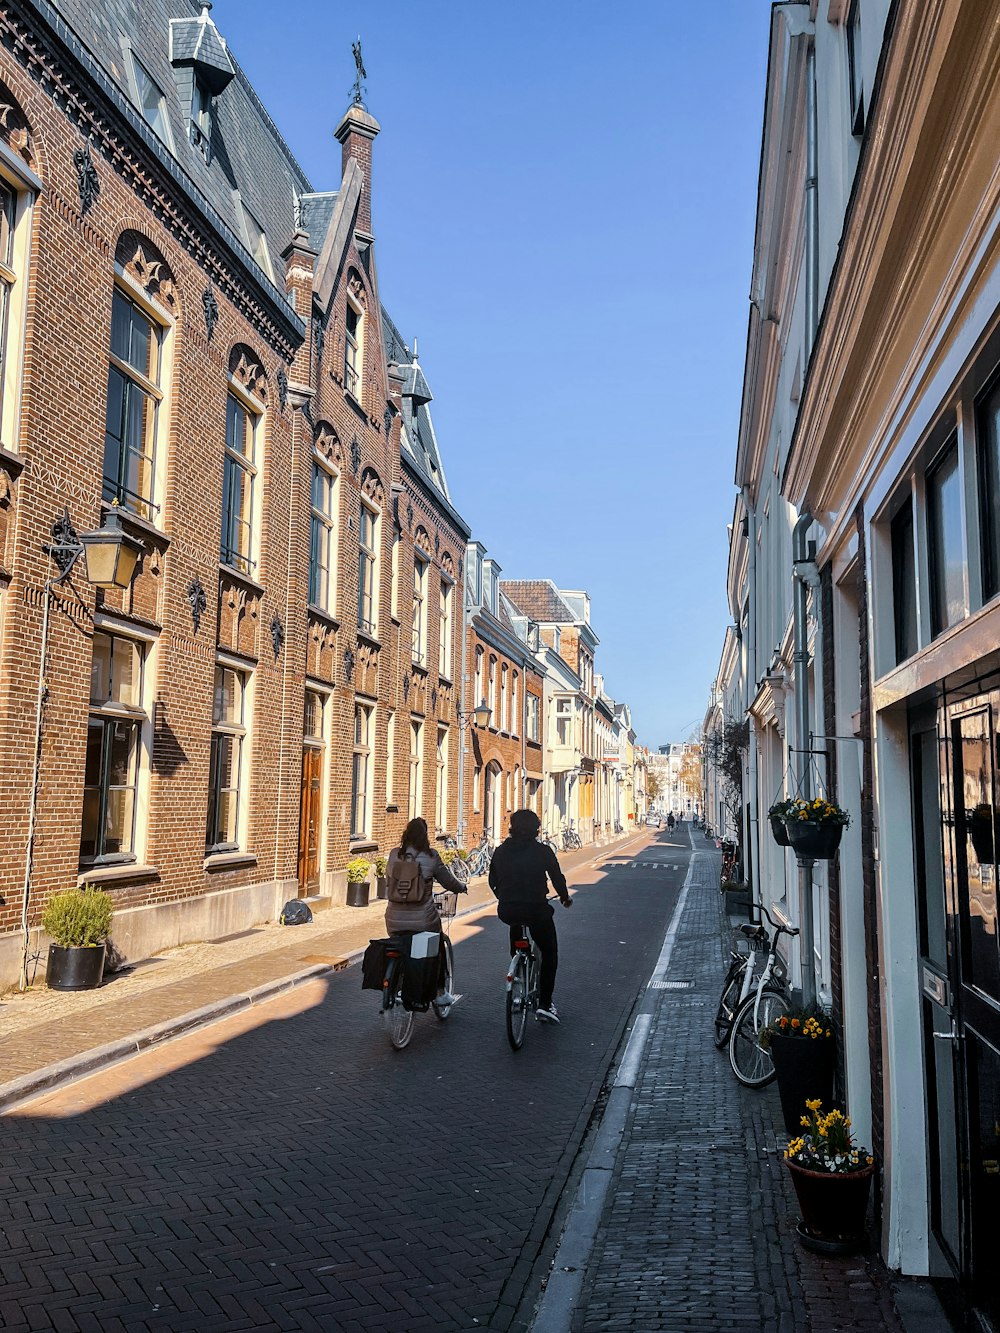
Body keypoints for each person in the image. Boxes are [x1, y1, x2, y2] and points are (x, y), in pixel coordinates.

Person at [489, 808, 571, 1024]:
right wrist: (564, 897)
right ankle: (545, 1004)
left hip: (508, 910)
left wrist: (503, 896)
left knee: (517, 930)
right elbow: (556, 877)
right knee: (550, 952)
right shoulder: (542, 851)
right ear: (536, 829)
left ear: (512, 828)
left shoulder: (500, 851)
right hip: (536, 909)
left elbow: (492, 880)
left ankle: (517, 965)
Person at [385, 817, 464, 1007]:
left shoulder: (394, 854)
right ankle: (439, 993)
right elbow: (447, 881)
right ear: (425, 836)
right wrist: (460, 887)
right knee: (436, 948)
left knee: (402, 946)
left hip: (393, 920)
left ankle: (399, 979)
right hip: (423, 921)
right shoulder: (431, 856)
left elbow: (388, 879)